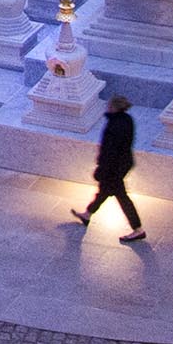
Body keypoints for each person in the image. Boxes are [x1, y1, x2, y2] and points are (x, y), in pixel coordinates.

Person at [73, 96, 146, 242]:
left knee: (121, 197)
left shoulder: (114, 124)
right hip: (122, 163)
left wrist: (102, 168)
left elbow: (110, 150)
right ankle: (87, 214)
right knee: (105, 191)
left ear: (114, 107)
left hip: (113, 167)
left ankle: (138, 229)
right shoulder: (126, 119)